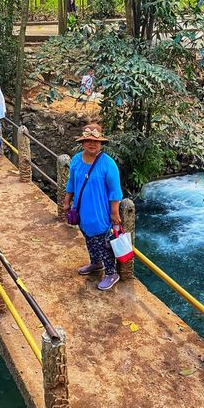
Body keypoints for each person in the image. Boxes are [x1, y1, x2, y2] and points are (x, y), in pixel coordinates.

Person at [63, 124, 123, 291]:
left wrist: (114, 212)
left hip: (100, 210)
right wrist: (67, 201)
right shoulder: (76, 160)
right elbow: (72, 183)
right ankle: (96, 263)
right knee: (88, 236)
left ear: (101, 143)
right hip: (82, 209)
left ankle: (112, 273)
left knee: (103, 241)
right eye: (88, 140)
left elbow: (115, 191)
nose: (92, 144)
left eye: (96, 141)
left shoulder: (108, 163)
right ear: (82, 143)